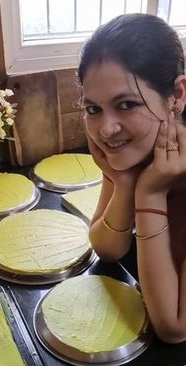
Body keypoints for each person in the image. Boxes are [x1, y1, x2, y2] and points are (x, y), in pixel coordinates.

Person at [77, 13, 186, 343]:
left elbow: (173, 326)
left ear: (177, 95)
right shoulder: (135, 152)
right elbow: (106, 248)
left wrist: (151, 195)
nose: (106, 129)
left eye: (126, 104)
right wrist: (123, 183)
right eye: (93, 109)